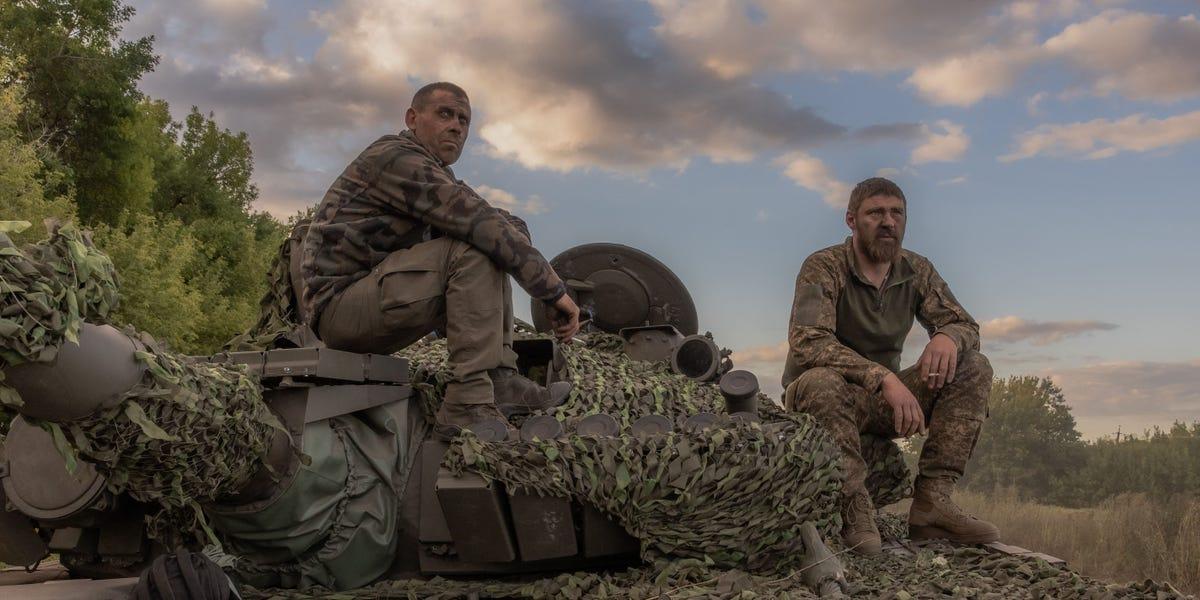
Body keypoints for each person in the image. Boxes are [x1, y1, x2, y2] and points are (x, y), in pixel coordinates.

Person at [300, 82, 581, 437]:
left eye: (464, 120)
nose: (456, 127)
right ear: (413, 118)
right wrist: (553, 292)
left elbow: (497, 222)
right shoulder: (395, 158)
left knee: (494, 235)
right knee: (474, 243)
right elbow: (479, 223)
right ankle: (466, 404)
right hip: (341, 310)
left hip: (382, 303)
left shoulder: (435, 173)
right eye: (445, 114)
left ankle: (499, 381)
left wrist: (517, 235)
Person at [782, 177, 999, 555]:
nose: (888, 222)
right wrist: (881, 377)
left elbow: (965, 325)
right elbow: (808, 339)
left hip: (880, 402)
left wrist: (947, 337)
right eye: (875, 213)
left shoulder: (916, 270)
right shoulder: (823, 266)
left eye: (896, 212)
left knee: (974, 365)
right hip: (819, 402)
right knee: (821, 382)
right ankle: (853, 509)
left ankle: (933, 503)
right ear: (852, 220)